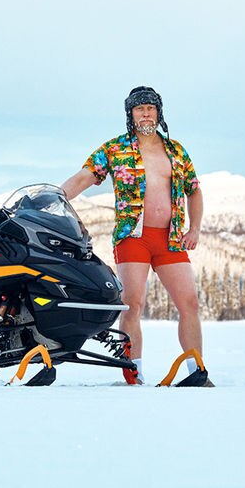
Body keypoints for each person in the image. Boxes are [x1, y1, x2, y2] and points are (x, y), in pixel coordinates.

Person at [61, 86, 205, 384]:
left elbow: (194, 190)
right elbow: (83, 177)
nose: (146, 113)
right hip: (133, 237)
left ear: (158, 112)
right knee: (133, 304)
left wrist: (194, 228)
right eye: (140, 109)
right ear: (131, 114)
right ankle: (132, 374)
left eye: (151, 108)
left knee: (189, 303)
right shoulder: (115, 149)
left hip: (171, 238)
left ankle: (197, 373)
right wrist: (55, 197)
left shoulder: (176, 150)